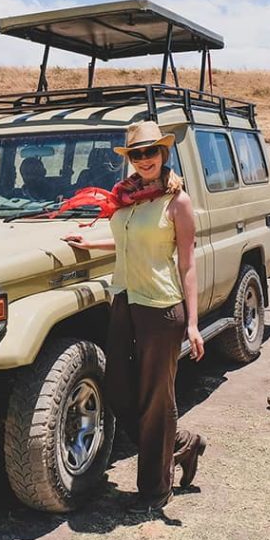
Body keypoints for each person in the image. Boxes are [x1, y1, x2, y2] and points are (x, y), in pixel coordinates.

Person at [62, 121, 207, 514]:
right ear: (130, 160)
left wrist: (193, 323)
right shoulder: (127, 197)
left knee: (157, 400)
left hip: (161, 307)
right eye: (137, 154)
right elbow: (128, 238)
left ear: (163, 154)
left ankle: (155, 492)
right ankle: (181, 445)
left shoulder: (177, 202)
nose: (145, 160)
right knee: (119, 392)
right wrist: (90, 241)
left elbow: (188, 263)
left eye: (151, 152)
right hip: (124, 300)